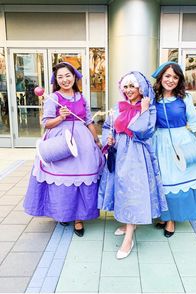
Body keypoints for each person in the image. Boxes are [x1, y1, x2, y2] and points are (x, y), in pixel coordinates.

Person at [24, 62, 104, 237]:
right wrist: (61, 117)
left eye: (68, 75)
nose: (65, 80)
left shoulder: (81, 97)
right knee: (61, 178)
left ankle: (78, 218)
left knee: (83, 177)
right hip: (60, 142)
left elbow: (88, 121)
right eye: (60, 77)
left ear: (74, 77)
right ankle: (63, 214)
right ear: (56, 80)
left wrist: (96, 140)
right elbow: (46, 123)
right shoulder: (53, 97)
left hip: (83, 144)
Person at [98, 71, 167, 259]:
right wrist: (109, 138)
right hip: (119, 152)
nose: (128, 91)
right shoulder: (118, 106)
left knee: (132, 191)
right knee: (121, 189)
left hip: (137, 154)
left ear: (141, 88)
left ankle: (128, 237)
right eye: (125, 87)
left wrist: (144, 110)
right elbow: (107, 127)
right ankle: (129, 222)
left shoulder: (149, 108)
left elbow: (144, 132)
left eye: (132, 86)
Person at [151, 61, 196, 238]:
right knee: (163, 180)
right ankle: (164, 215)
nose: (171, 80)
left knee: (178, 178)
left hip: (181, 142)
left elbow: (193, 121)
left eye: (175, 77)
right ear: (160, 78)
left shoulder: (185, 98)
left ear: (179, 80)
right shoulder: (152, 98)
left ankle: (171, 220)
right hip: (159, 143)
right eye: (167, 76)